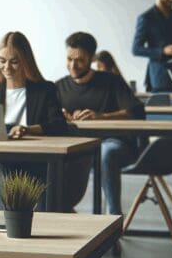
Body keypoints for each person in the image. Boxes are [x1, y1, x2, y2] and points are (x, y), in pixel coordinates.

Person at [56, 32, 146, 216]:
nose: (73, 65)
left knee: (106, 153)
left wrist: (102, 117)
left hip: (114, 143)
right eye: (69, 59)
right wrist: (60, 116)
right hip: (76, 146)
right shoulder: (59, 87)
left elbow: (137, 111)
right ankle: (60, 211)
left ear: (91, 59)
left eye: (80, 60)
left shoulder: (111, 81)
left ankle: (114, 216)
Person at [0, 31, 69, 140]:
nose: (7, 67)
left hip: (34, 148)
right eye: (2, 61)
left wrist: (28, 129)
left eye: (14, 62)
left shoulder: (45, 89)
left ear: (26, 61)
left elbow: (59, 126)